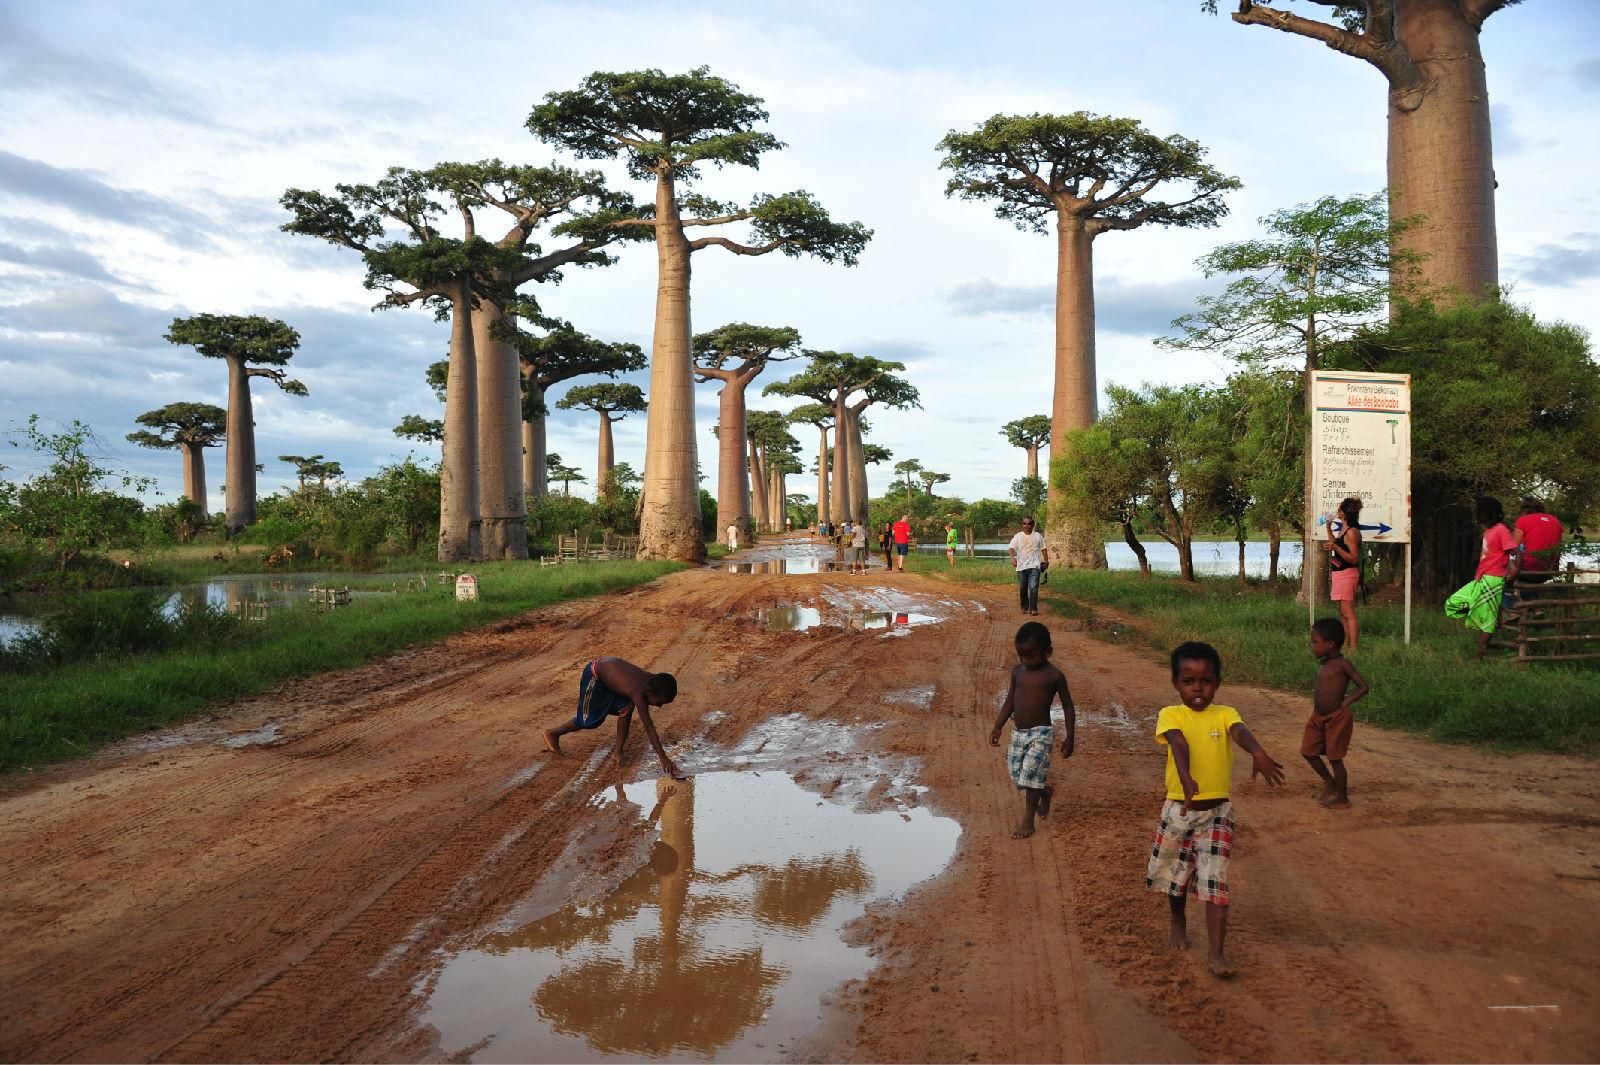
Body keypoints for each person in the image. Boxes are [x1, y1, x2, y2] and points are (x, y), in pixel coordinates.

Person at [1147, 641, 1285, 978]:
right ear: (1176, 683)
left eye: (1206, 681)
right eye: (1189, 681)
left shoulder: (1225, 714)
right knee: (1176, 876)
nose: (1198, 688)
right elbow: (1178, 742)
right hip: (1179, 809)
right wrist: (1185, 776)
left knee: (1215, 882)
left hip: (1217, 814)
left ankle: (1216, 954)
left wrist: (1258, 752)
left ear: (1217, 683)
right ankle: (1177, 918)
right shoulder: (1171, 714)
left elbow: (1240, 732)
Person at [989, 621, 1076, 839]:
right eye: (1021, 656)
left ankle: (1028, 822)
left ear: (1048, 652)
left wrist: (1070, 735)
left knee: (1030, 774)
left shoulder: (1054, 676)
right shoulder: (1018, 672)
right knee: (1017, 774)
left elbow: (1067, 705)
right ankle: (1043, 792)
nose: (1025, 661)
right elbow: (1010, 700)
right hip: (1019, 733)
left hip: (1041, 733)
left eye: (1031, 656)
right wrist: (998, 725)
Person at [543, 656, 685, 779]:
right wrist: (663, 757)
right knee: (588, 721)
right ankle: (553, 733)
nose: (659, 706)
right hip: (594, 675)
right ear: (649, 692)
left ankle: (618, 752)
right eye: (659, 702)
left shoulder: (651, 682)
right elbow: (649, 727)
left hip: (608, 675)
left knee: (626, 708)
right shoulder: (638, 692)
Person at [1302, 618, 1370, 810]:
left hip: (1337, 718)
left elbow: (1363, 686)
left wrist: (1344, 704)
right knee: (1308, 751)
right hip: (1318, 716)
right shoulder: (1325, 663)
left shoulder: (1343, 664)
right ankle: (1330, 782)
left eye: (1315, 642)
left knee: (1335, 759)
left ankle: (1342, 797)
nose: (1312, 646)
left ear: (1330, 644)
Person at [1445, 496, 1518, 660]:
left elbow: (1515, 552)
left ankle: (1479, 656)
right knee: (1452, 603)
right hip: (1482, 578)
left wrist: (1514, 571)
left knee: (1488, 620)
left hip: (1493, 579)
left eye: (1481, 512)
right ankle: (1479, 611)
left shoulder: (1501, 530)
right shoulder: (1488, 531)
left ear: (1490, 513)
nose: (1478, 515)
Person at [1325, 496, 1364, 652]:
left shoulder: (1352, 532)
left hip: (1348, 574)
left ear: (1344, 513)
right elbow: (1336, 543)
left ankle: (1353, 647)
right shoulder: (1343, 529)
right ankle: (1346, 643)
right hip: (1339, 573)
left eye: (1340, 509)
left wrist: (1336, 548)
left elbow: (1354, 558)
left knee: (1348, 611)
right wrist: (1328, 528)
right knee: (1342, 611)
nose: (1338, 512)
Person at [1513, 497, 1564, 587]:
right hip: (1548, 570)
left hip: (1527, 570)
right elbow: (1558, 548)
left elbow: (1513, 548)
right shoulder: (1556, 521)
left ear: (1524, 509)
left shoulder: (1523, 521)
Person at [1007, 516, 1048, 615]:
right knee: (1023, 588)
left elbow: (1043, 548)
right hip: (1021, 567)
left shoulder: (1038, 536)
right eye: (1024, 523)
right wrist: (1012, 558)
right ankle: (1024, 606)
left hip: (1035, 566)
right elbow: (1011, 548)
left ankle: (1033, 608)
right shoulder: (1018, 536)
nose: (1026, 525)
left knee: (1033, 587)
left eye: (1029, 523)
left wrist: (1047, 561)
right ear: (1022, 525)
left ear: (1033, 525)